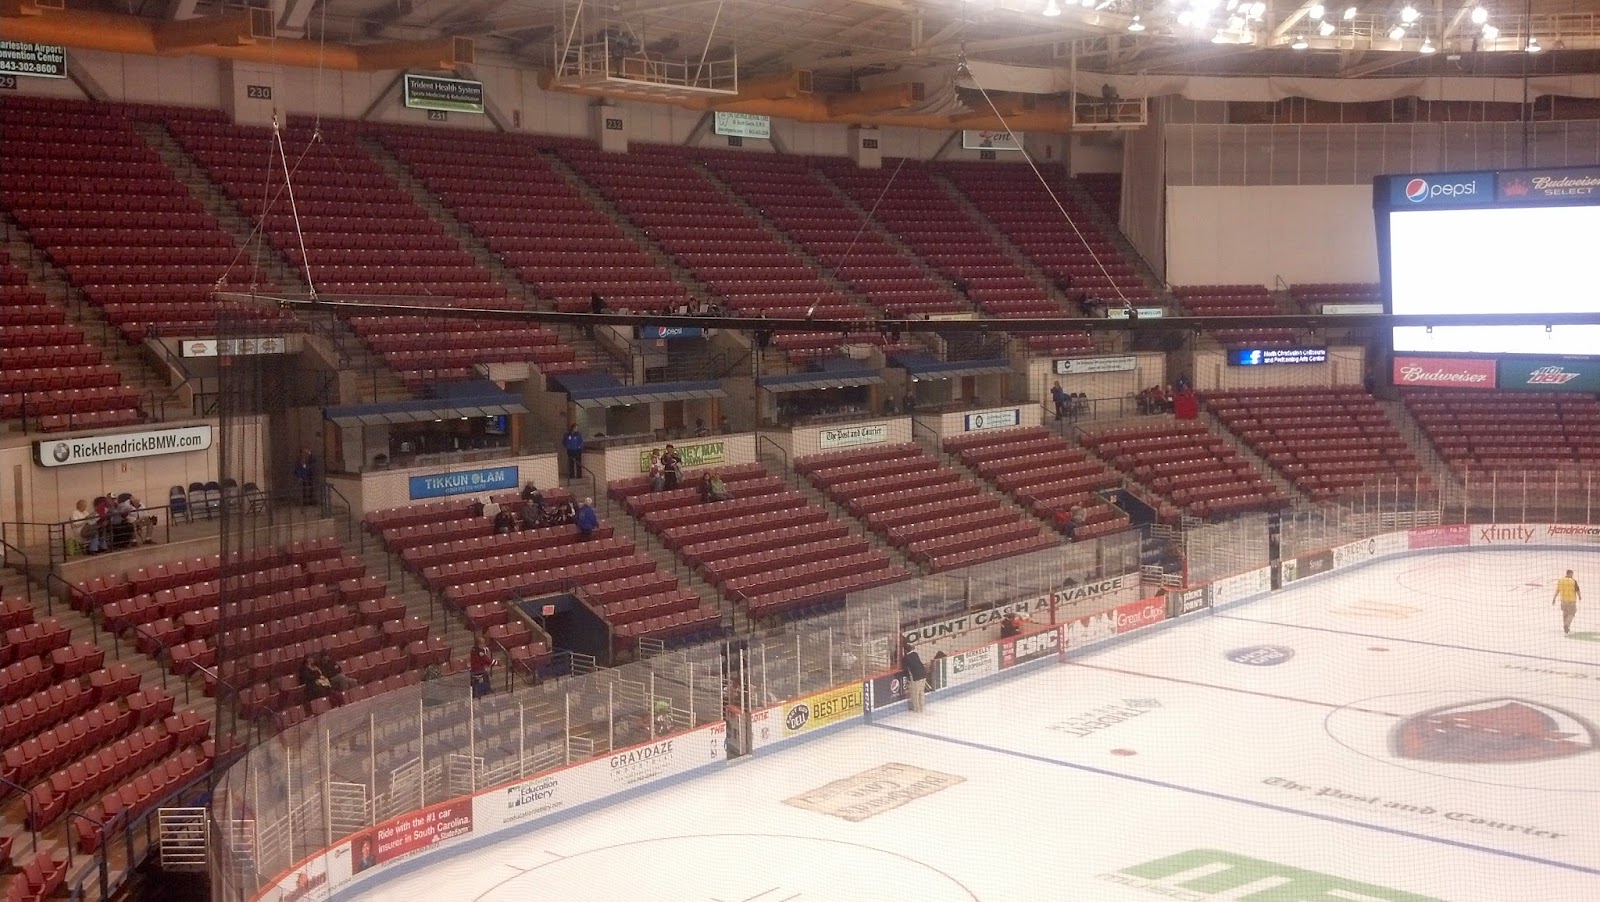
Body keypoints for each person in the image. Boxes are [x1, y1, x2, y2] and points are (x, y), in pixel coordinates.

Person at [1554, 569, 1582, 635]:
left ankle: (1565, 627)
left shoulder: (1560, 580)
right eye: (1572, 574)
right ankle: (1567, 625)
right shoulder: (1573, 581)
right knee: (1572, 612)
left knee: (1565, 613)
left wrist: (1554, 598)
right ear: (1569, 574)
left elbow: (1557, 590)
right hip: (1571, 600)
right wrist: (1579, 597)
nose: (1572, 575)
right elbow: (1577, 590)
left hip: (1563, 600)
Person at [902, 641, 928, 712]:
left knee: (915, 695)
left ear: (905, 651)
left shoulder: (906, 658)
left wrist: (909, 679)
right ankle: (922, 707)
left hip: (916, 677)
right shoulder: (915, 654)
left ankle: (917, 709)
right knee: (921, 692)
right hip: (923, 675)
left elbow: (906, 669)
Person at [469, 632, 495, 698]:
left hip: (480, 669)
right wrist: (496, 663)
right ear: (478, 644)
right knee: (485, 674)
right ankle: (486, 690)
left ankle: (485, 690)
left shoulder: (477, 650)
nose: (484, 645)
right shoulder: (478, 651)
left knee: (485, 673)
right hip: (476, 670)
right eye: (482, 643)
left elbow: (484, 661)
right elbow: (486, 659)